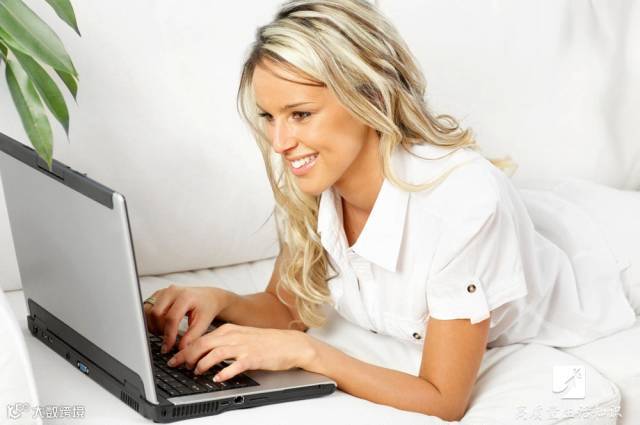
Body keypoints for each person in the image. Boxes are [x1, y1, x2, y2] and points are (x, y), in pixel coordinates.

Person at [143, 0, 637, 420]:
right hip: (540, 212)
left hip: (613, 247)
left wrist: (310, 353)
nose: (279, 142)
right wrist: (218, 300)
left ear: (369, 95)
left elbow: (443, 399)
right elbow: (287, 307)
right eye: (269, 117)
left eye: (301, 114)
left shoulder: (462, 207)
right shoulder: (318, 178)